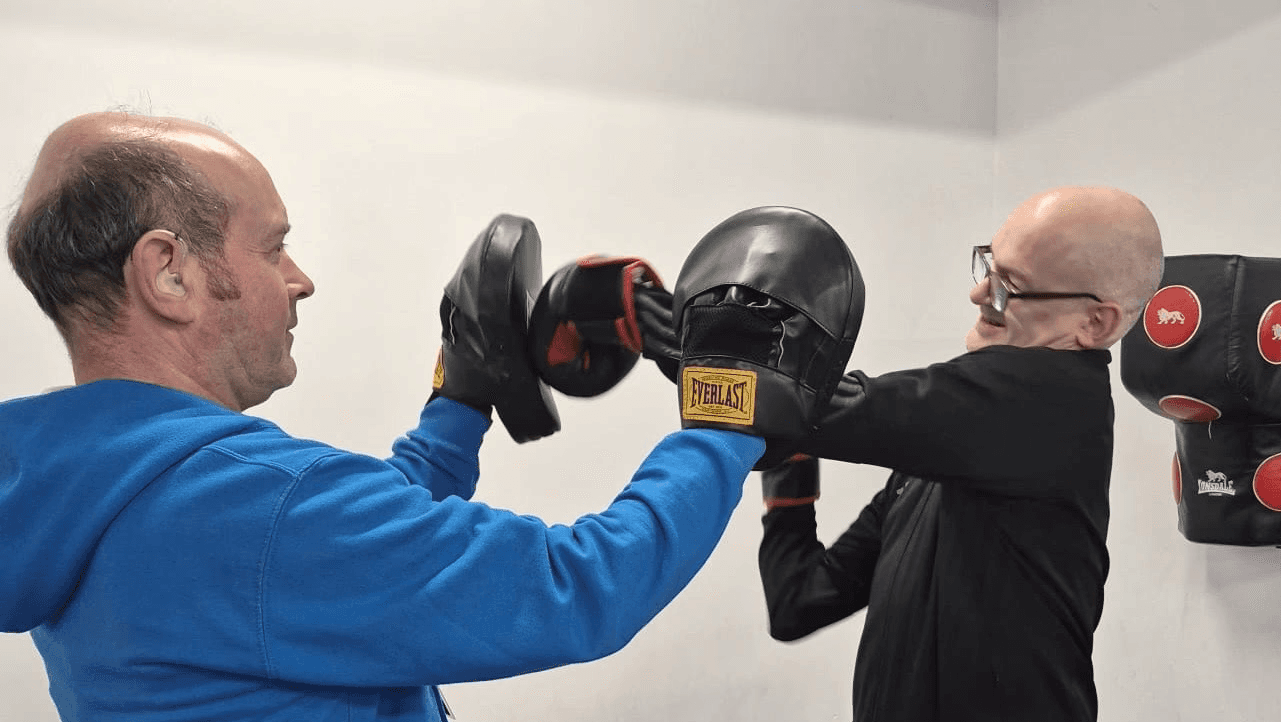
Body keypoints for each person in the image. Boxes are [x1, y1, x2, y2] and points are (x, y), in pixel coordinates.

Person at [0, 111, 768, 721]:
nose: (301, 280)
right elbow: (578, 587)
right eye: (273, 248)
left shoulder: (79, 492)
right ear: (169, 273)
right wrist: (729, 406)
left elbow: (348, 559)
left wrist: (459, 404)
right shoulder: (261, 509)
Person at [755, 186, 1165, 721]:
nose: (979, 295)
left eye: (1011, 286)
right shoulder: (954, 452)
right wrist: (785, 454)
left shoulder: (1050, 402)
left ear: (1095, 323)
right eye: (989, 267)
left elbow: (822, 406)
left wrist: (692, 342)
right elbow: (800, 601)